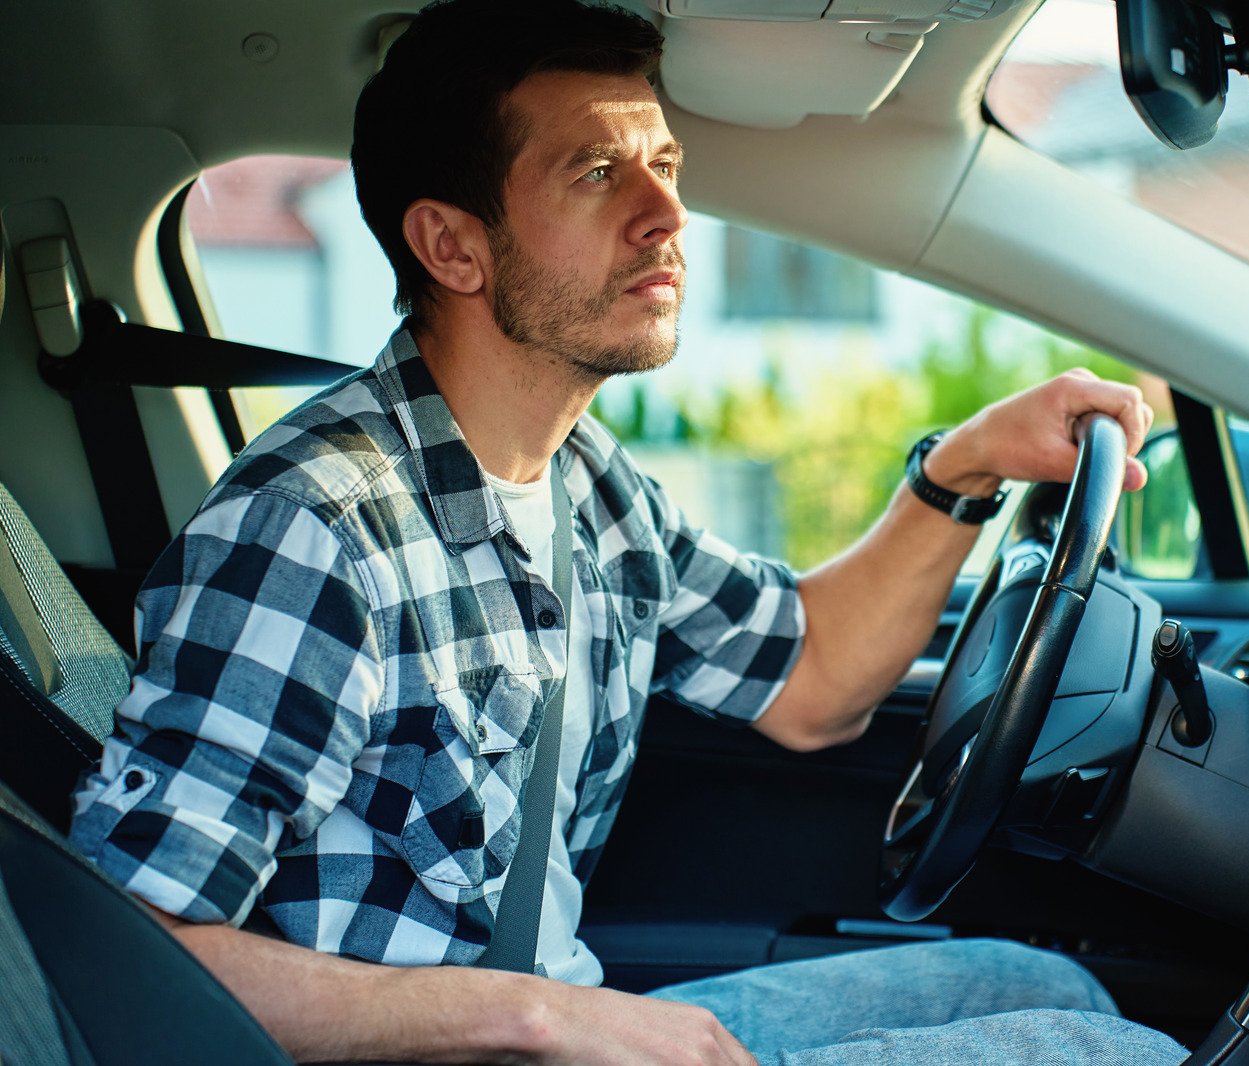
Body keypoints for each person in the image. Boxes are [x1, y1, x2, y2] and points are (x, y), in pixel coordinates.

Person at [67, 1, 1186, 1063]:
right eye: (597, 173)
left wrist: (962, 468)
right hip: (484, 1041)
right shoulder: (309, 530)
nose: (666, 213)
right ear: (453, 248)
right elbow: (127, 957)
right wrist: (544, 1021)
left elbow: (811, 675)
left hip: (556, 1013)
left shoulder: (586, 482)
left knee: (1033, 987)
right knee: (1108, 1053)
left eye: (666, 165)